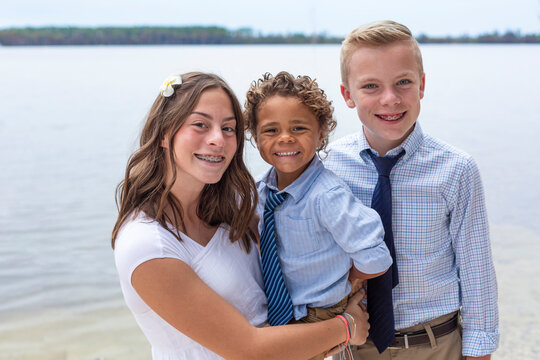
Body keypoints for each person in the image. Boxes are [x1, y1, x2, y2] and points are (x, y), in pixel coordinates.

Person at [112, 71, 370, 360]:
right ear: (164, 133)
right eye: (200, 124)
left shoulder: (235, 206)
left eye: (228, 128)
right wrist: (347, 326)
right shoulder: (147, 245)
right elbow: (250, 349)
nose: (217, 140)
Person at [324, 20, 499, 360]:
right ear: (347, 94)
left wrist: (479, 352)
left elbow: (477, 273)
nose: (390, 99)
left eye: (403, 82)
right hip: (353, 348)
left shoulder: (457, 170)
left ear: (422, 85)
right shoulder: (328, 167)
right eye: (371, 86)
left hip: (437, 344)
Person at [244, 71, 393, 360]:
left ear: (321, 133)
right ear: (255, 137)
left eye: (298, 128)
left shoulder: (328, 196)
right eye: (271, 130)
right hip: (279, 315)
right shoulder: (261, 192)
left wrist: (346, 282)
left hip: (321, 316)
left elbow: (376, 256)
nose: (285, 138)